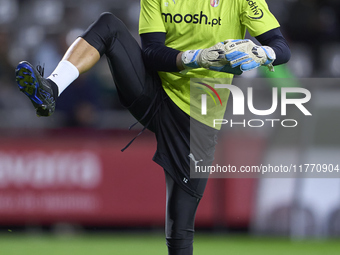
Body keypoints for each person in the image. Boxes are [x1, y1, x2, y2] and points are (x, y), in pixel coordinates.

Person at [15, 0, 291, 254]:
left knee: (180, 229)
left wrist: (260, 52)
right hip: (154, 94)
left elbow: (281, 47)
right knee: (108, 24)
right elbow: (151, 52)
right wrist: (197, 57)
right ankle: (50, 89)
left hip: (198, 118)